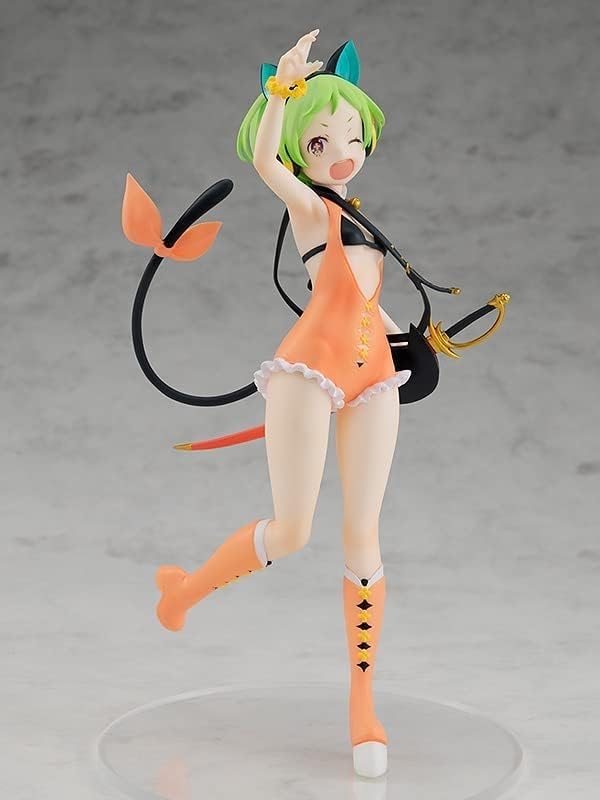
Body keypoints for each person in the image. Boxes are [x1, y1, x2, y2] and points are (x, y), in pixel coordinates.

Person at [155, 31, 412, 778]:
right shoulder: (308, 206)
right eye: (323, 141)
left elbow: (364, 298)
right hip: (311, 371)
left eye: (352, 136)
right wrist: (278, 97)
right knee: (294, 530)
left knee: (364, 534)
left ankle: (363, 706)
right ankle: (184, 592)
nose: (343, 152)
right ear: (304, 150)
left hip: (372, 373)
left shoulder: (358, 215)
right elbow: (266, 162)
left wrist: (408, 341)